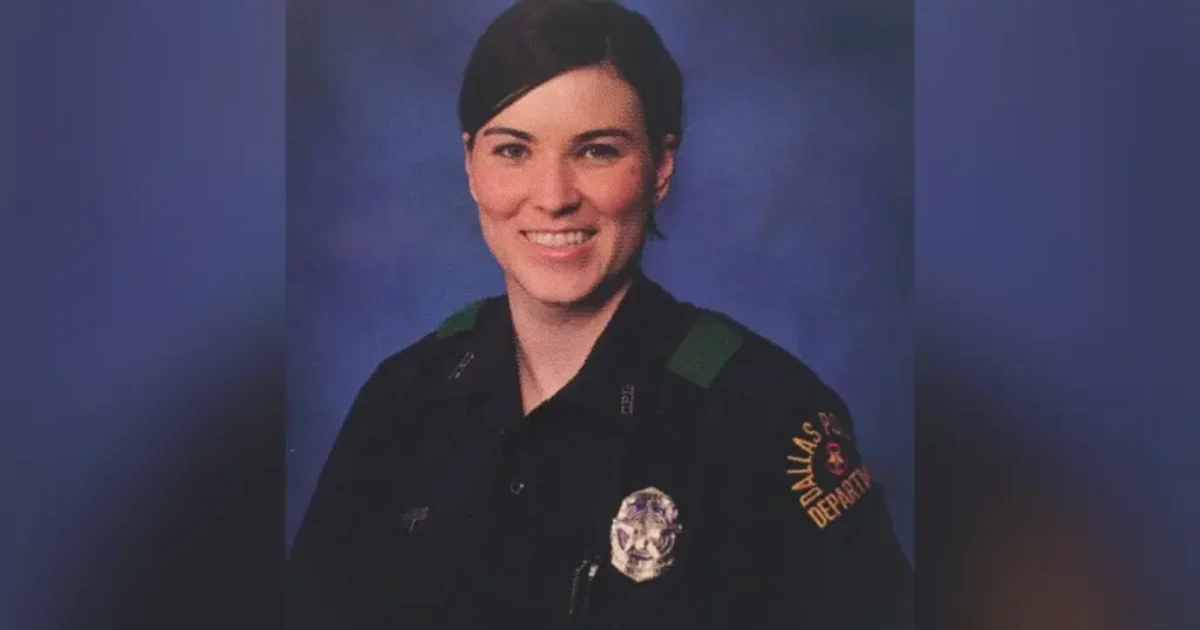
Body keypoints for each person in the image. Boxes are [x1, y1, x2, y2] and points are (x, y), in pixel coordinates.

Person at [287, 0, 912, 628]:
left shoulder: (764, 416)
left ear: (660, 168)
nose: (554, 197)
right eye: (513, 151)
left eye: (596, 151)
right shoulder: (401, 402)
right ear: (471, 166)